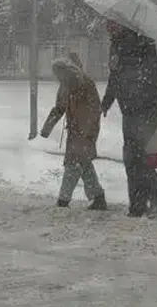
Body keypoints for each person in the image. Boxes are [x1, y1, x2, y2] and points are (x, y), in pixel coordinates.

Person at [101, 21, 157, 217]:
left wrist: (132, 87)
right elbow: (115, 76)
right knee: (133, 159)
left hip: (146, 107)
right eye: (107, 23)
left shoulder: (141, 42)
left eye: (112, 23)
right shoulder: (116, 44)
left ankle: (149, 204)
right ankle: (144, 204)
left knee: (136, 158)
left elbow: (148, 74)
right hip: (130, 109)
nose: (108, 27)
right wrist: (107, 101)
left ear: (122, 23)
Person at [37, 52, 107, 210]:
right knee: (83, 163)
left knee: (73, 164)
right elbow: (59, 108)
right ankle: (98, 197)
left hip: (85, 131)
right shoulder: (65, 86)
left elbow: (95, 109)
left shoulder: (85, 84)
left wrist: (86, 130)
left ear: (68, 70)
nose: (57, 77)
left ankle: (63, 200)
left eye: (59, 74)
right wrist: (47, 127)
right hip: (75, 131)